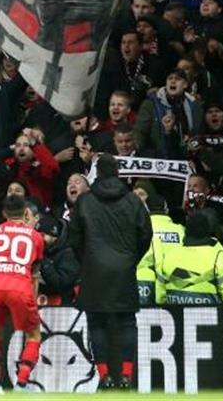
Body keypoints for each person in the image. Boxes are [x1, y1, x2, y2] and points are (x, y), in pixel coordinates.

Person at [67, 154, 152, 392]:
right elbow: (146, 234)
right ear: (117, 173)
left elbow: (74, 238)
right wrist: (131, 259)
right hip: (124, 270)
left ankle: (104, 376)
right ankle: (125, 375)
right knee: (126, 322)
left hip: (94, 269)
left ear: (97, 173)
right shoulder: (133, 201)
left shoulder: (84, 201)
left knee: (96, 322)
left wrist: (87, 261)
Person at [0, 193, 45, 392]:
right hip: (20, 287)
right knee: (34, 335)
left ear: (4, 213)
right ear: (26, 212)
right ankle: (21, 383)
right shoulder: (36, 237)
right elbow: (35, 273)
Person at [155, 211, 223, 306]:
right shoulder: (218, 256)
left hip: (175, 316)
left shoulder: (169, 255)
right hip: (209, 318)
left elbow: (160, 294)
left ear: (186, 231)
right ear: (208, 230)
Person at [136, 194, 183, 306]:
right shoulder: (181, 231)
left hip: (145, 285)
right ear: (166, 209)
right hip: (174, 287)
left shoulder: (137, 230)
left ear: (145, 209)